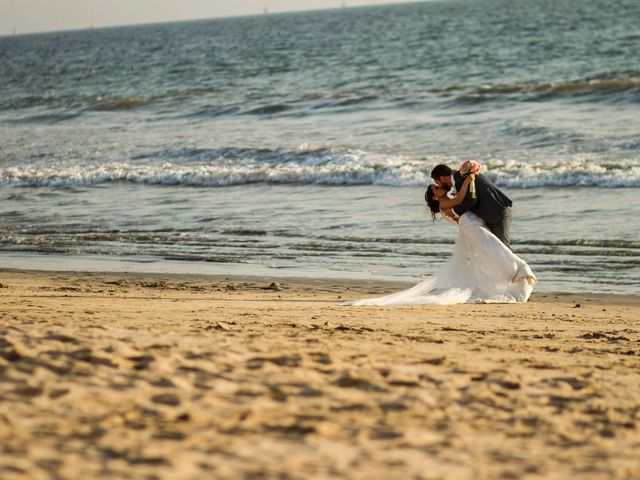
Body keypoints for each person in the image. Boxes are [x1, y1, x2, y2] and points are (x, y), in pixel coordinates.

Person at [344, 173, 536, 305]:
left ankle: (508, 278)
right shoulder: (446, 203)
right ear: (435, 197)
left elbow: (465, 204)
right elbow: (462, 200)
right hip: (471, 227)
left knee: (489, 253)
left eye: (437, 185)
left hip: (473, 226)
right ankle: (517, 271)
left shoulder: (446, 201)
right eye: (436, 188)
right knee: (493, 249)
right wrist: (469, 177)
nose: (438, 187)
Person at [431, 163, 513, 248]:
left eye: (437, 182)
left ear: (442, 178)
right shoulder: (458, 178)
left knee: (503, 248)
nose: (439, 186)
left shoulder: (461, 178)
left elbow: (471, 200)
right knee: (496, 249)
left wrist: (454, 212)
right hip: (490, 214)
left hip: (498, 210)